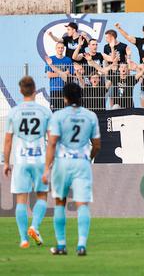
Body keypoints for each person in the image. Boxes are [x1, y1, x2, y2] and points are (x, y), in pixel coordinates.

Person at [42, 82, 101, 256]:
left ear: (65, 97)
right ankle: (81, 245)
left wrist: (47, 168)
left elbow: (52, 142)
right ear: (81, 96)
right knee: (82, 204)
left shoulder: (58, 116)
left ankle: (61, 245)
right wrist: (88, 158)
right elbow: (97, 145)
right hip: (81, 163)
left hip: (62, 163)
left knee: (60, 202)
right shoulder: (90, 116)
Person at [3, 76, 53, 248]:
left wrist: (6, 163)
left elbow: (8, 140)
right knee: (42, 196)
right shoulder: (44, 111)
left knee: (21, 200)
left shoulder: (14, 112)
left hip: (21, 160)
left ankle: (24, 239)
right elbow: (51, 138)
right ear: (34, 89)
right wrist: (49, 162)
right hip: (39, 159)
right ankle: (35, 226)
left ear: (20, 91)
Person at [44, 42, 74, 110]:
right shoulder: (51, 60)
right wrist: (63, 73)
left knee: (65, 111)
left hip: (65, 89)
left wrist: (65, 74)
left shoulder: (68, 60)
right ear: (56, 48)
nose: (60, 49)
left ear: (64, 49)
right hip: (54, 89)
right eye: (59, 48)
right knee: (54, 111)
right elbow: (49, 75)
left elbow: (70, 75)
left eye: (62, 48)